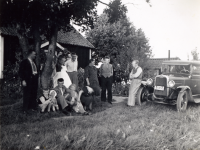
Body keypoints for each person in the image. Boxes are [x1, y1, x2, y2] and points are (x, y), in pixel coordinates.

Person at [19, 50, 38, 114]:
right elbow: (21, 72)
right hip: (27, 80)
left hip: (34, 80)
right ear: (30, 54)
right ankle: (25, 109)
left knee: (33, 94)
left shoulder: (34, 62)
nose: (35, 56)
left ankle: (32, 107)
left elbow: (35, 71)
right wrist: (23, 80)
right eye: (34, 54)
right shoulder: (24, 62)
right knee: (27, 94)